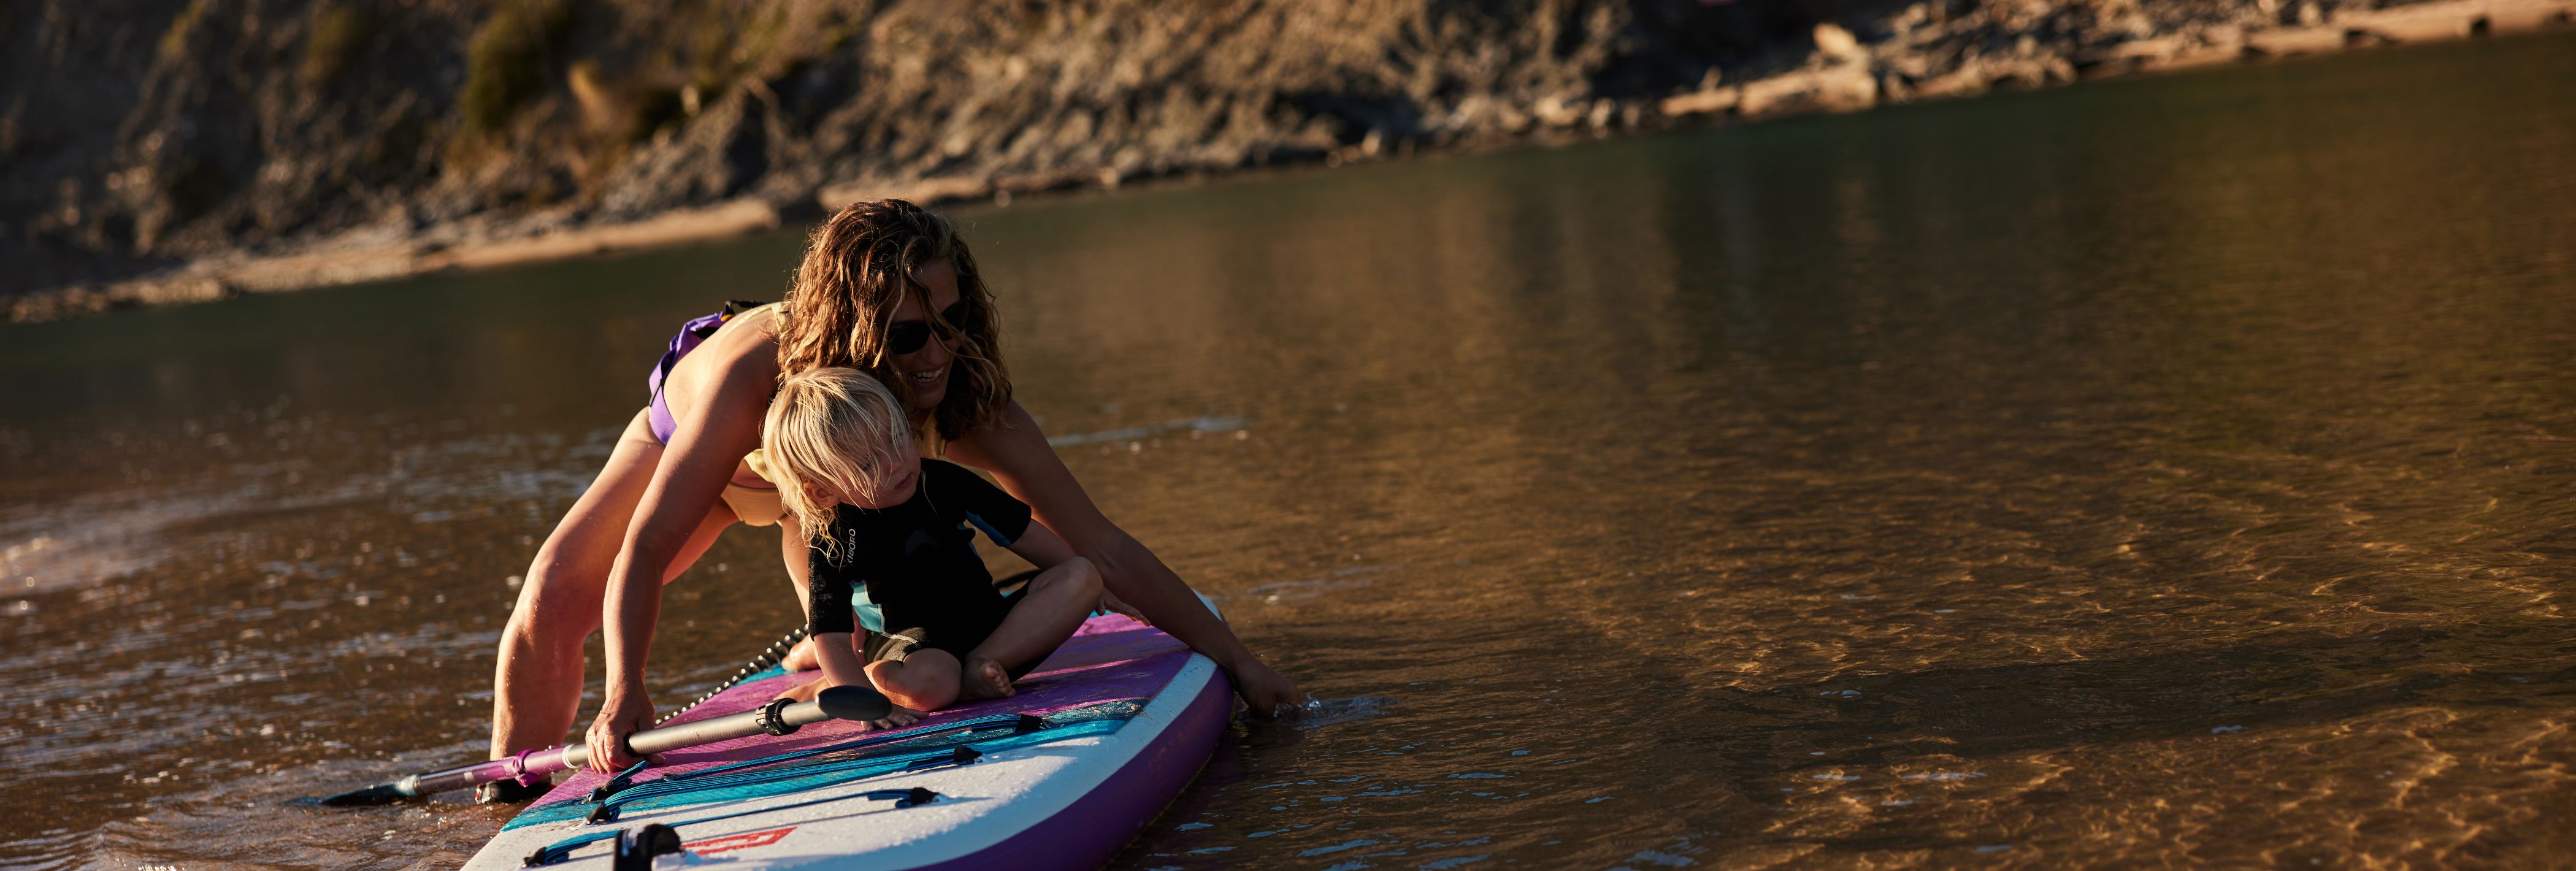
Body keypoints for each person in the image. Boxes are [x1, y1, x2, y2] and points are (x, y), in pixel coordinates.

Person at [484, 199, 1298, 800]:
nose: (938, 350)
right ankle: (509, 798)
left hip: (828, 505)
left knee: (835, 549)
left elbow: (1101, 548)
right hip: (724, 464)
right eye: (910, 333)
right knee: (552, 600)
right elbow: (650, 544)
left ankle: (845, 652)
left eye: (953, 320)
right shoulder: (751, 375)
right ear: (858, 327)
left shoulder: (958, 387)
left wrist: (1239, 658)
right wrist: (627, 690)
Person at [763, 367, 1102, 717]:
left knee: (1081, 574)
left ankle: (979, 669)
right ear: (824, 490)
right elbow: (830, 638)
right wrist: (870, 705)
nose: (896, 463)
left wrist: (1094, 591)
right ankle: (848, 684)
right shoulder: (832, 539)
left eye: (897, 439)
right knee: (933, 685)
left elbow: (1022, 532)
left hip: (994, 629)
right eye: (868, 463)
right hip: (913, 647)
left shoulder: (940, 481)